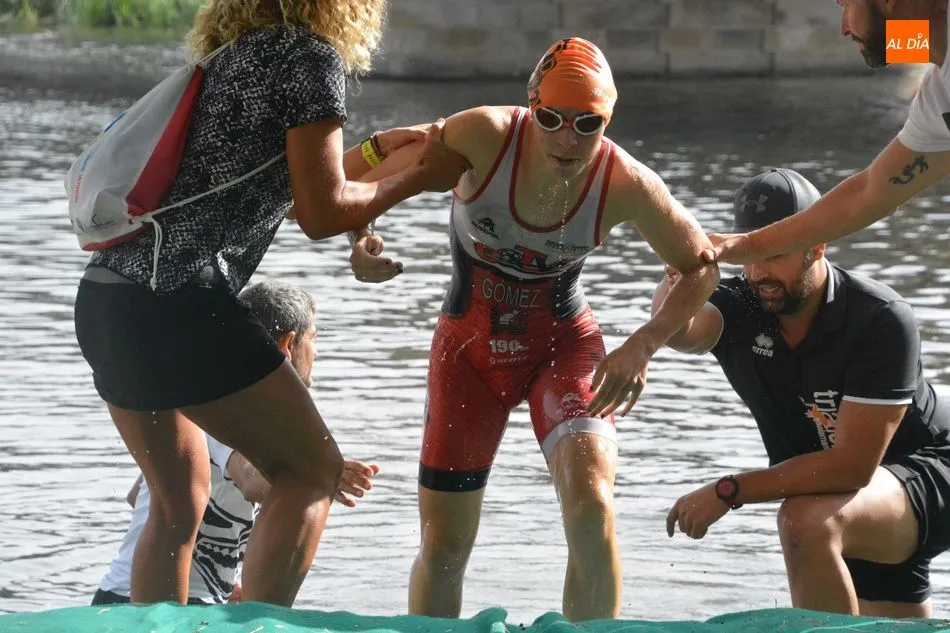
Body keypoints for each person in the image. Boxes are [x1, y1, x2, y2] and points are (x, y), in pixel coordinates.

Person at [72, 0, 467, 608]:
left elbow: (284, 186)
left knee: (177, 504)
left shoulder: (228, 58)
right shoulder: (310, 57)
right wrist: (420, 176)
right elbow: (321, 212)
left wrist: (375, 153)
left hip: (107, 299)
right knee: (312, 474)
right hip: (175, 300)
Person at [347, 37, 720, 621]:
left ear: (607, 121)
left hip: (564, 347)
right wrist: (360, 240)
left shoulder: (626, 183)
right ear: (531, 107)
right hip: (467, 354)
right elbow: (351, 178)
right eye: (551, 120)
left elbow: (702, 267)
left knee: (592, 507)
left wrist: (644, 344)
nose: (568, 139)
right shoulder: (483, 135)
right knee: (444, 548)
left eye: (587, 124)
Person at [660, 168, 950, 619]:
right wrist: (679, 276)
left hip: (928, 471)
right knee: (892, 626)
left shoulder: (881, 317)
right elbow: (681, 332)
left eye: (774, 253)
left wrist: (727, 490)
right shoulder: (739, 305)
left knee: (804, 521)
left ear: (818, 245)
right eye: (748, 254)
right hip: (841, 493)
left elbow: (851, 466)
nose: (759, 273)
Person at [91, 280, 380, 606]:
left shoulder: (209, 398)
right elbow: (250, 480)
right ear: (288, 344)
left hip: (129, 593)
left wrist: (223, 579)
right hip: (149, 599)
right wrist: (313, 471)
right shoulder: (230, 409)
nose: (316, 352)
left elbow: (137, 496)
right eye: (313, 339)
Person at [708, 0, 950, 266]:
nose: (843, 29)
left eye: (845, 5)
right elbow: (868, 194)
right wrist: (748, 245)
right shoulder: (938, 99)